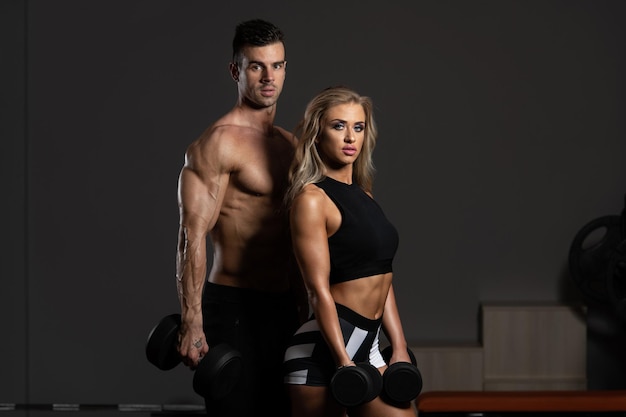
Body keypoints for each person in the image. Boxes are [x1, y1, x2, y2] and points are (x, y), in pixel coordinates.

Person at [175, 19, 308, 417]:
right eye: (256, 66)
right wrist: (192, 321)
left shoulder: (291, 144)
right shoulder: (218, 142)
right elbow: (190, 236)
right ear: (236, 70)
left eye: (278, 66)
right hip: (233, 308)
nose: (269, 77)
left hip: (284, 307)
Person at [282, 86, 417, 417]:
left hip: (369, 345)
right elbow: (317, 290)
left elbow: (383, 279)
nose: (349, 137)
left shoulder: (365, 196)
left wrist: (398, 346)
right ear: (317, 132)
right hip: (324, 350)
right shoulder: (311, 199)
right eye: (338, 126)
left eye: (358, 127)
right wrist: (342, 360)